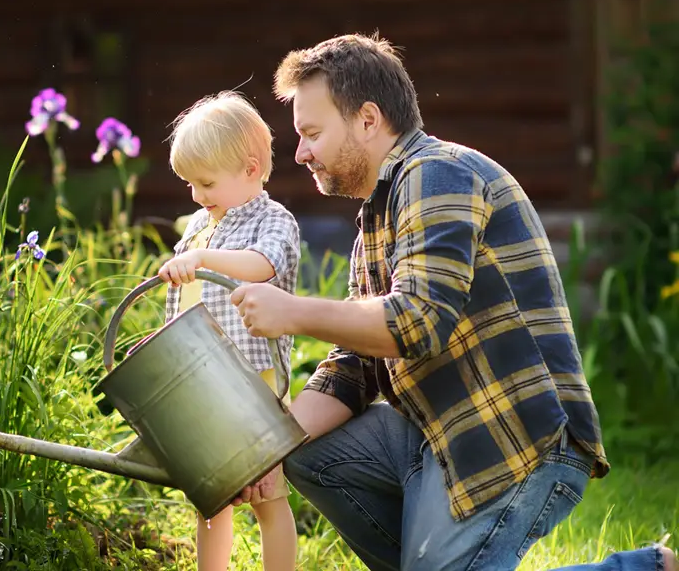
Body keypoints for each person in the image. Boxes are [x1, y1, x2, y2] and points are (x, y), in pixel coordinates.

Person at [227, 33, 676, 570]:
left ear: (368, 120)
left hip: (513, 435)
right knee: (306, 450)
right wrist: (267, 451)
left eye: (312, 133)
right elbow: (356, 365)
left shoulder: (437, 173)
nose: (300, 152)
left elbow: (420, 321)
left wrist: (294, 311)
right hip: (433, 433)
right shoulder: (376, 218)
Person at [155, 90, 301, 571]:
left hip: (250, 382)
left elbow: (263, 266)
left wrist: (200, 260)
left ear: (252, 169)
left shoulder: (273, 220)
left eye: (206, 182)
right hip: (201, 382)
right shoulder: (199, 224)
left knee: (266, 494)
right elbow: (186, 300)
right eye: (190, 184)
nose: (196, 195)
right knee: (211, 496)